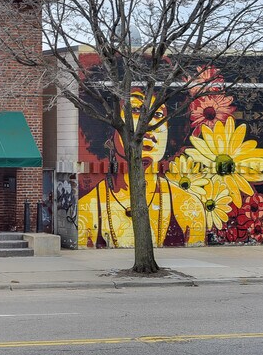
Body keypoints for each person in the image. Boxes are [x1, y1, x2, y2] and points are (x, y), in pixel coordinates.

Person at [77, 90, 205, 248]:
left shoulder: (189, 206)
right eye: (135, 111)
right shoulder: (87, 208)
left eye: (158, 115)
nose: (149, 126)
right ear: (109, 130)